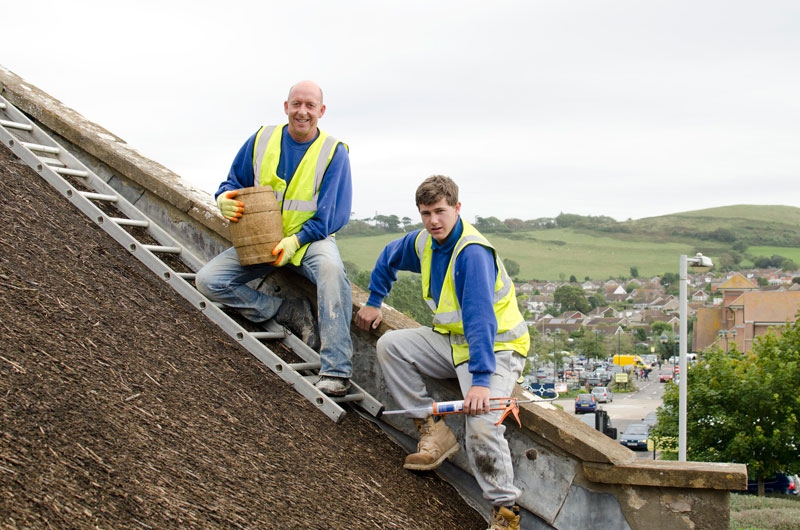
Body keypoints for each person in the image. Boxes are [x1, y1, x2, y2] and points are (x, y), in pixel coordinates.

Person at [354, 175, 529, 530]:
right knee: (391, 345)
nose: (433, 220)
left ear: (457, 209)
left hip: (495, 350)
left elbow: (481, 320)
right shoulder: (424, 243)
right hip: (452, 342)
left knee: (482, 424)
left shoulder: (472, 254)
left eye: (440, 211)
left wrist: (480, 382)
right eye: (425, 213)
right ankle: (433, 431)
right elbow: (388, 256)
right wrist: (374, 301)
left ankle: (506, 513)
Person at [196, 80, 353, 397]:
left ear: (321, 111)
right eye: (296, 104)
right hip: (262, 237)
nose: (302, 111)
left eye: (310, 106)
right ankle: (285, 312)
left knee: (332, 272)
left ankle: (336, 370)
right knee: (208, 280)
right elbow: (233, 181)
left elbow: (333, 215)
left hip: (310, 240)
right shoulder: (262, 138)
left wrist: (296, 241)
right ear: (286, 106)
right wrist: (223, 197)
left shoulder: (334, 153)